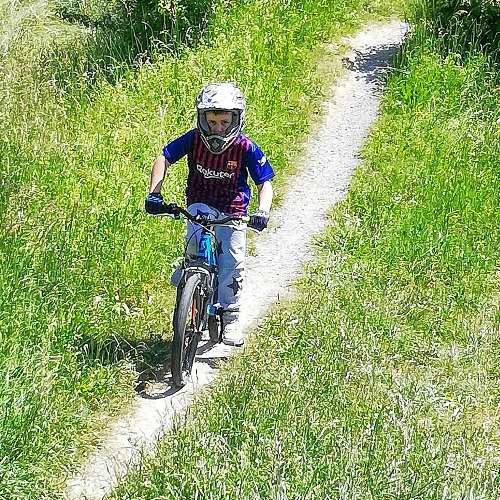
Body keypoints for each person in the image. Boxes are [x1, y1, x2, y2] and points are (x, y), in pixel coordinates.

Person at [144, 82, 274, 347]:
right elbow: (164, 158)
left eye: (224, 122)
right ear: (202, 119)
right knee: (194, 245)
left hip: (233, 209)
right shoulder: (193, 139)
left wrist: (262, 211)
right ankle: (190, 274)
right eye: (212, 122)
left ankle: (230, 315)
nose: (218, 129)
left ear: (236, 120)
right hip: (200, 201)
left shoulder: (245, 148)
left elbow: (264, 184)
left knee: (232, 262)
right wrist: (154, 194)